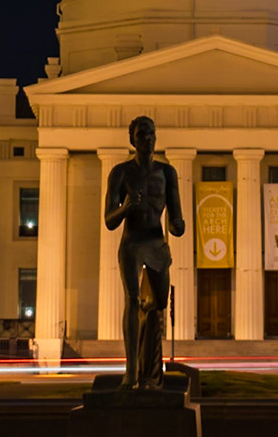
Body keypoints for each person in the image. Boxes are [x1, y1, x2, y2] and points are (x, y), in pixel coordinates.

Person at [104, 115, 186, 390]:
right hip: (132, 243)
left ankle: (149, 365)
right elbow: (109, 220)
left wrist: (178, 226)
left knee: (158, 304)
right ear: (132, 140)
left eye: (151, 134)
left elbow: (176, 216)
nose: (148, 139)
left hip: (155, 243)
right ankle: (132, 371)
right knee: (132, 298)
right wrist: (125, 208)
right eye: (142, 135)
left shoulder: (167, 172)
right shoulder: (121, 172)